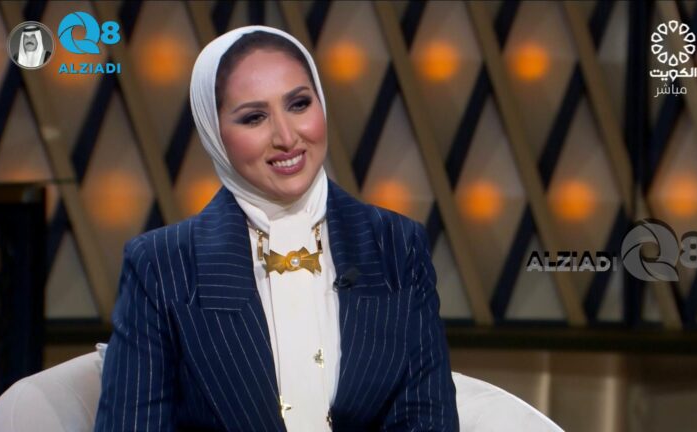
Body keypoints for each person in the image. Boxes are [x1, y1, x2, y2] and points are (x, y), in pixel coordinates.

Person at [95, 25, 458, 431]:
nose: (286, 137)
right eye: (254, 117)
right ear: (214, 133)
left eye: (299, 104)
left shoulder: (396, 245)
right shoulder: (161, 266)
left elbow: (428, 418)